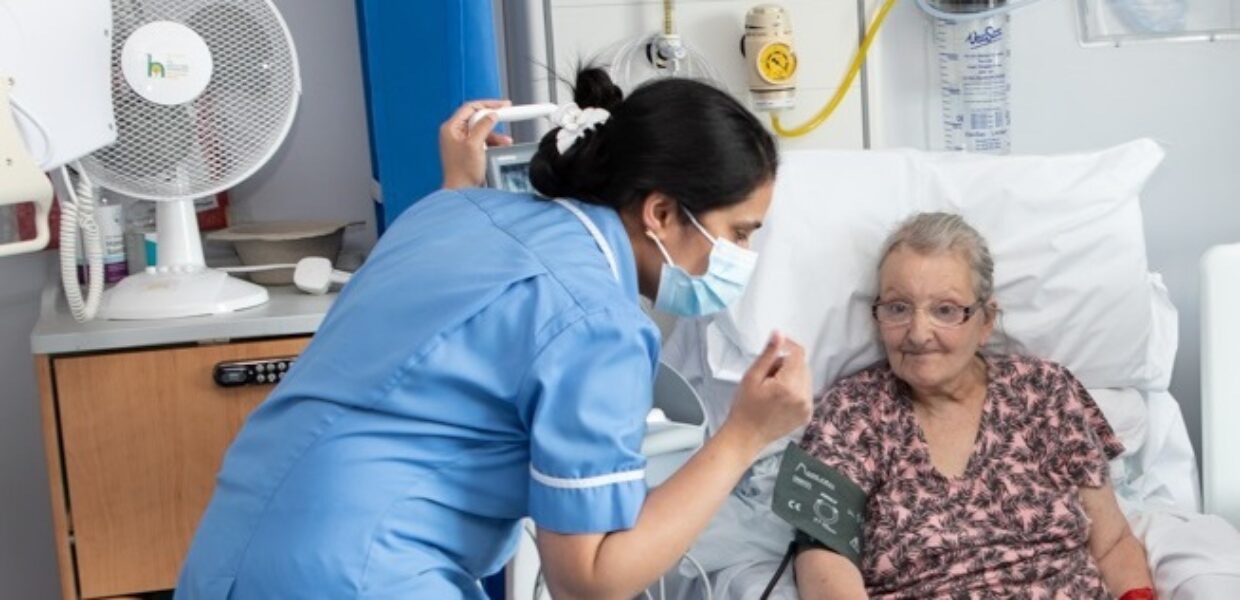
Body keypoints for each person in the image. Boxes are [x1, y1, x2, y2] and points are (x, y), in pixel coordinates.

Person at [174, 67, 813, 600]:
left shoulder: (452, 209)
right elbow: (589, 578)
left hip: (236, 549)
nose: (741, 256)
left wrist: (459, 184)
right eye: (739, 233)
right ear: (663, 213)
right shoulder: (598, 322)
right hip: (366, 571)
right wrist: (743, 436)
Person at [795, 213, 1155, 599]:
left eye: (945, 310)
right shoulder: (851, 412)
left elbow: (1113, 542)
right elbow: (822, 556)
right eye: (898, 308)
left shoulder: (1045, 392)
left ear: (986, 321)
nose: (918, 333)